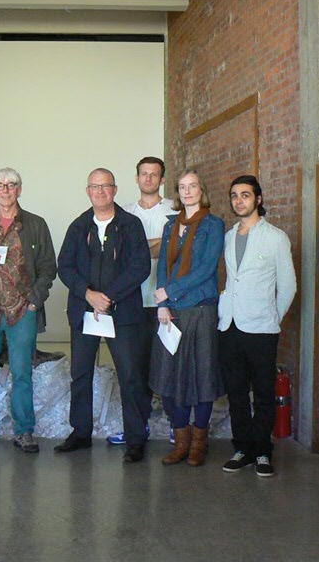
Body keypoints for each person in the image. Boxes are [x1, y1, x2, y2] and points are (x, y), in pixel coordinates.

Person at [55, 168, 151, 463]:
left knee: (131, 376)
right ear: (87, 191)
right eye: (94, 187)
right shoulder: (78, 226)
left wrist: (108, 297)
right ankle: (81, 433)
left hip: (121, 313)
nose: (100, 191)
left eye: (105, 186)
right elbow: (65, 266)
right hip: (85, 311)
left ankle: (136, 438)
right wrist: (88, 294)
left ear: (115, 189)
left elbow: (140, 267)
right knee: (81, 374)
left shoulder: (131, 225)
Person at [0, 168, 57, 454]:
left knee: (22, 372)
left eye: (11, 185)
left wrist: (33, 302)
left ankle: (24, 431)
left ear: (20, 189)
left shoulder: (35, 224)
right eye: (0, 185)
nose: (5, 190)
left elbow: (48, 267)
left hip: (21, 312)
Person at [219, 176, 296, 477]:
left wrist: (271, 317)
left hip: (262, 328)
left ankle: (262, 450)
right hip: (230, 325)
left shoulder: (276, 237)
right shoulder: (228, 236)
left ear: (258, 199)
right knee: (236, 392)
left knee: (262, 392)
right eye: (234, 195)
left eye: (245, 195)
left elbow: (288, 285)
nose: (239, 200)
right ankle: (242, 448)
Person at [151, 168, 225, 467]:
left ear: (201, 189)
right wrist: (162, 301)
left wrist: (170, 291)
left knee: (202, 376)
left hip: (201, 308)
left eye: (193, 186)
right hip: (172, 311)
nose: (188, 191)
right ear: (177, 193)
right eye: (182, 187)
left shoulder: (214, 224)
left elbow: (206, 269)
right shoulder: (171, 226)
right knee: (171, 378)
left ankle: (198, 443)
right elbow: (163, 269)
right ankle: (180, 441)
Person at [107, 156, 177, 446]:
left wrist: (140, 247)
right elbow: (117, 253)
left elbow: (176, 247)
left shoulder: (175, 209)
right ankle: (138, 427)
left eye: (154, 174)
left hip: (167, 303)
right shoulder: (123, 211)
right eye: (143, 174)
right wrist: (158, 243)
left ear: (162, 179)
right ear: (136, 178)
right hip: (132, 303)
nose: (148, 179)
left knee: (170, 366)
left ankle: (178, 425)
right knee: (134, 370)